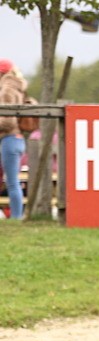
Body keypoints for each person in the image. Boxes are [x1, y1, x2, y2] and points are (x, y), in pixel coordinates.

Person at [0, 59, 28, 220]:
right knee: (12, 181)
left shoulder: (7, 89)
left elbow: (7, 120)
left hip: (9, 138)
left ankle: (17, 217)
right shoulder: (18, 86)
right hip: (16, 139)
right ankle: (16, 216)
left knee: (11, 182)